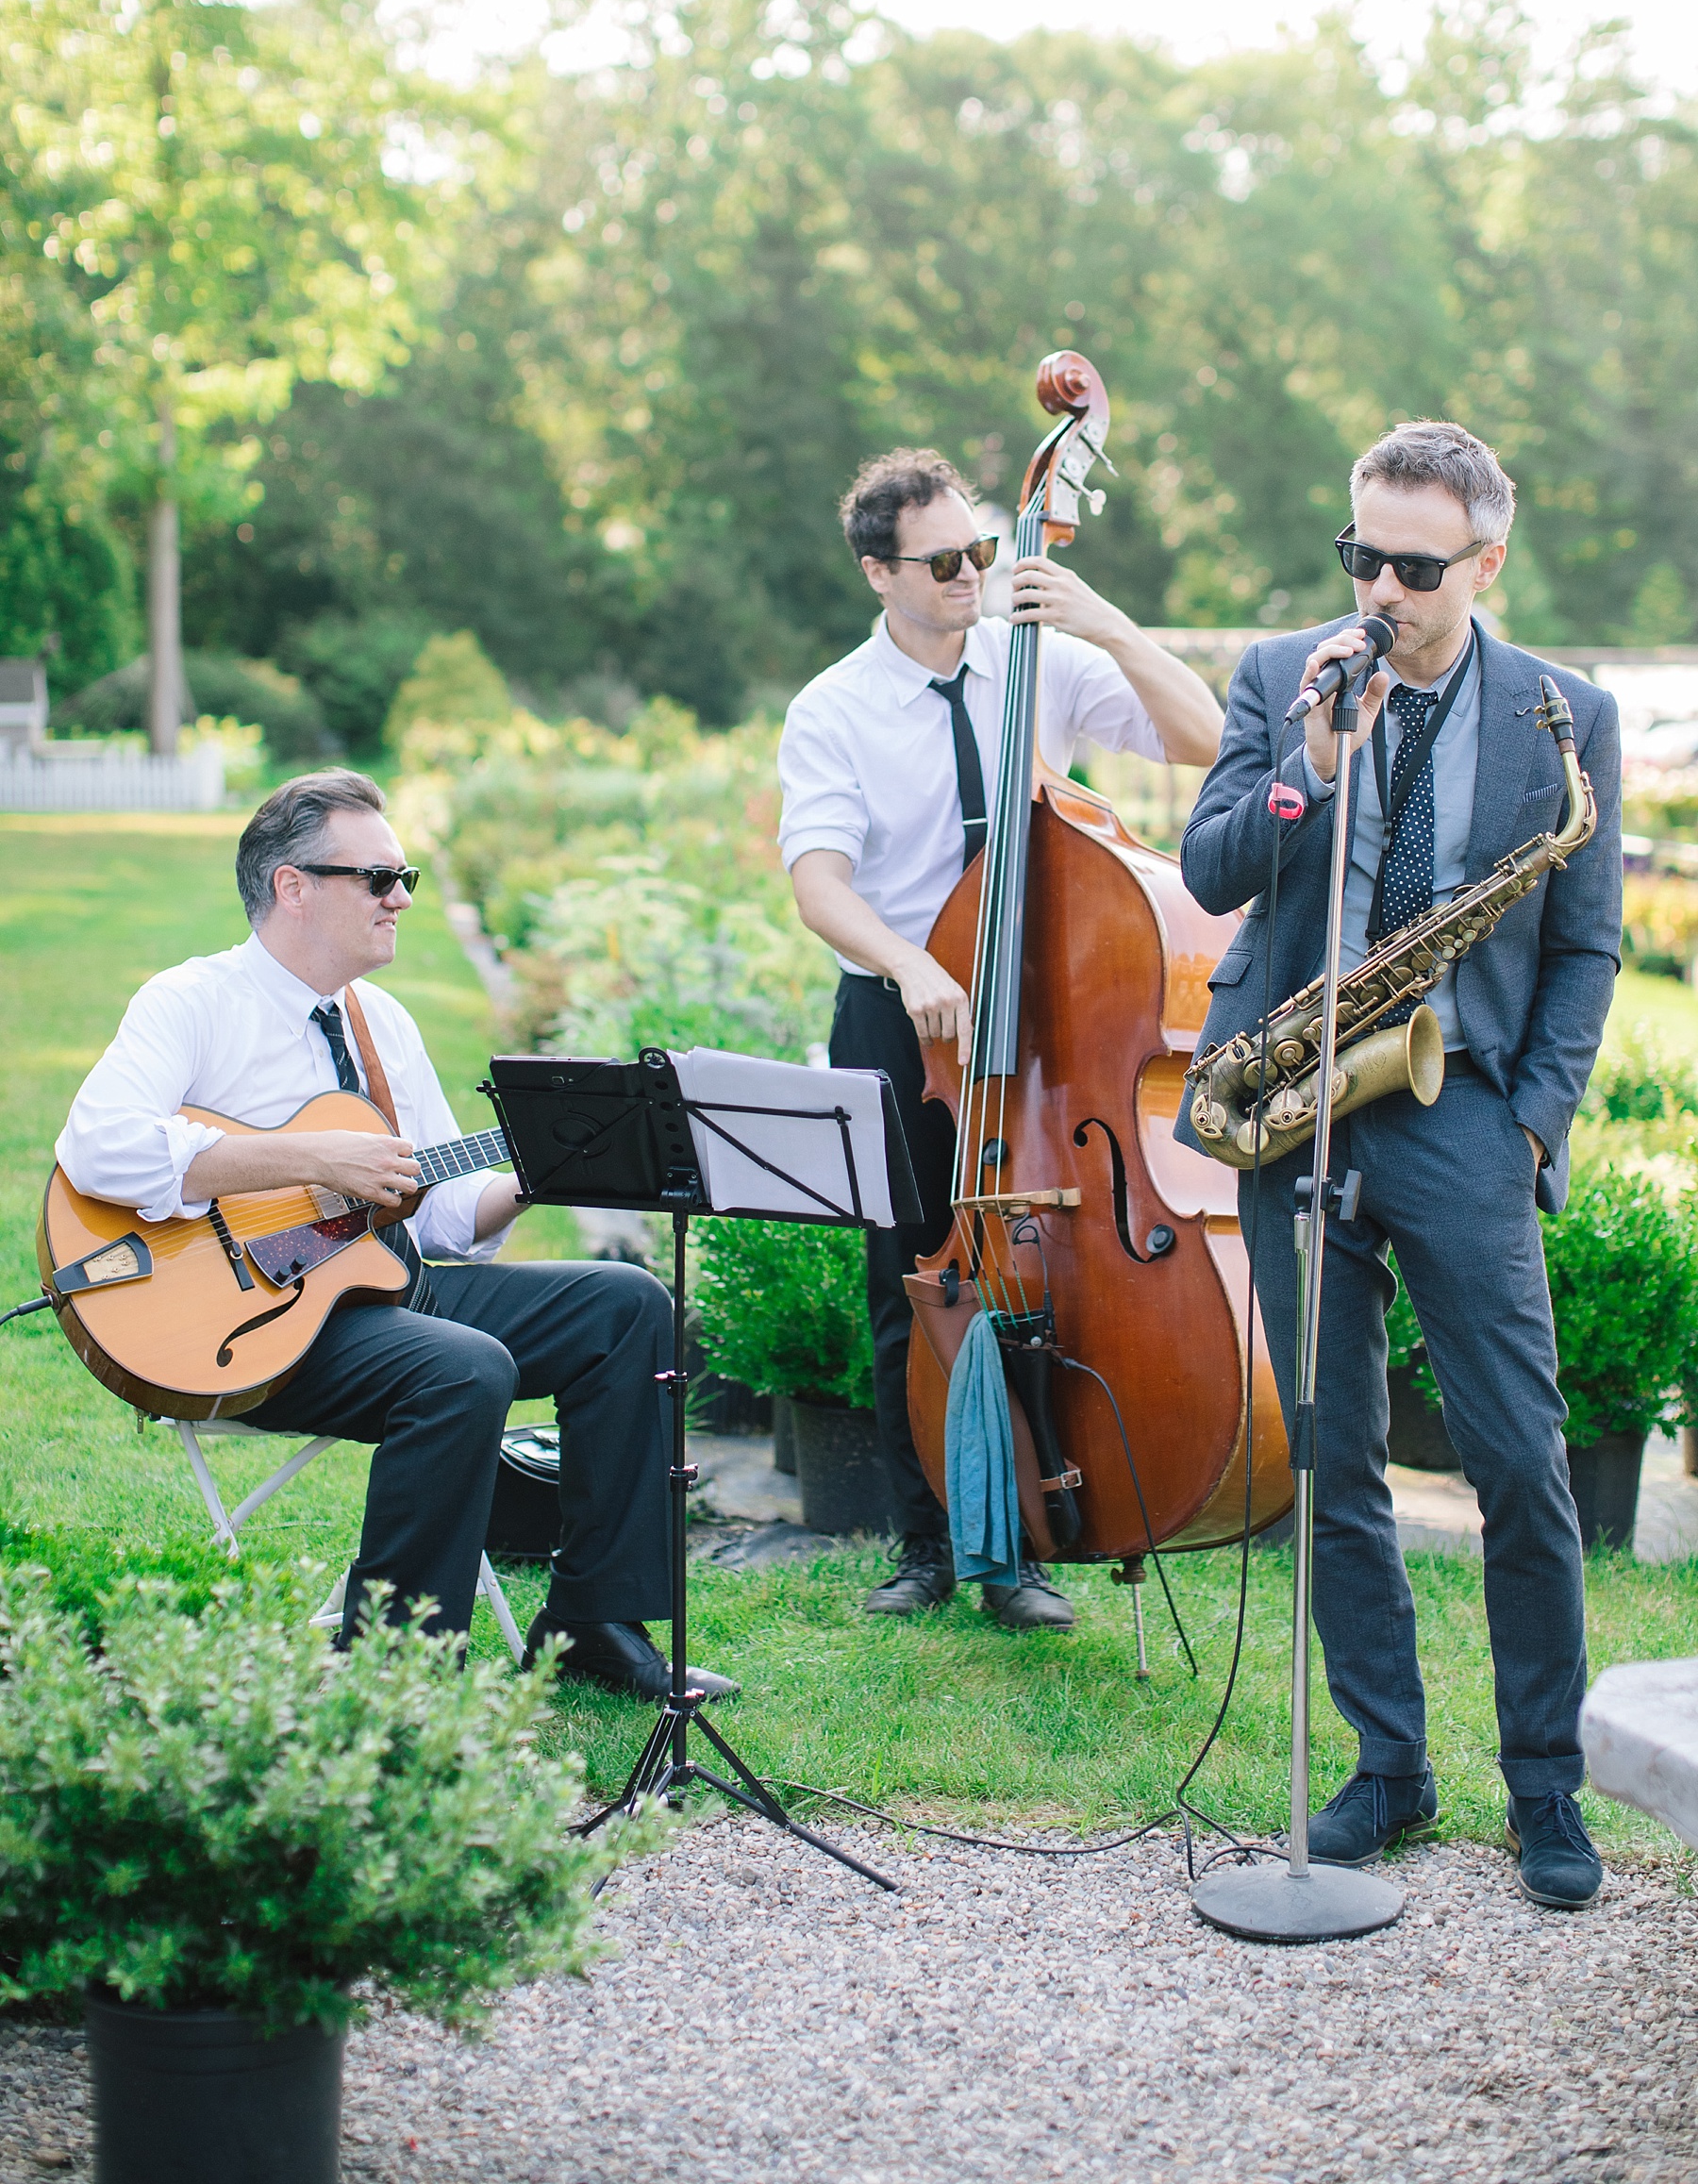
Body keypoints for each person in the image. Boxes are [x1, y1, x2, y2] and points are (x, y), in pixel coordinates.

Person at [1179, 420, 1622, 1910]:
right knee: (1333, 1458)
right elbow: (1211, 868)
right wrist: (1310, 766)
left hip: (1459, 1108)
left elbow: (1588, 948)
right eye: (1357, 551)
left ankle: (1546, 1786)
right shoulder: (1283, 678)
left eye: (1415, 566)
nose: (1378, 586)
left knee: (1520, 1462)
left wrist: (1533, 1125)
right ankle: (1389, 1763)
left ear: (1487, 561)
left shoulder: (1570, 713)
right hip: (1291, 1090)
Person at [56, 768, 734, 1704]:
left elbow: (444, 1214)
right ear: (293, 887)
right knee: (463, 1367)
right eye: (379, 878)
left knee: (627, 1308)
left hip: (387, 1286)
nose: (403, 897)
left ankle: (594, 1621)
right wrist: (312, 1157)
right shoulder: (193, 1001)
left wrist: (541, 1177)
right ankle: (392, 1673)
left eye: (404, 876)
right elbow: (98, 1147)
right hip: (259, 1323)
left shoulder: (382, 1023)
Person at [779, 447, 1224, 1626]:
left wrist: (1109, 623)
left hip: (1051, 1010)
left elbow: (1203, 734)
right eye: (943, 562)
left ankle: (1025, 1537)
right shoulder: (834, 708)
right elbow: (820, 883)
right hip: (902, 1011)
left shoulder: (1038, 657)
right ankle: (928, 1544)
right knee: (914, 1273)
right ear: (879, 572)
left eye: (982, 549)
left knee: (1046, 1268)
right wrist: (917, 962)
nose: (974, 573)